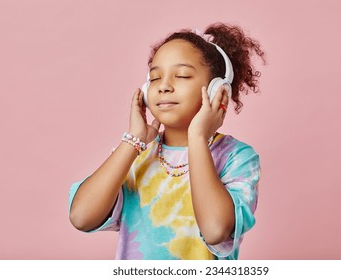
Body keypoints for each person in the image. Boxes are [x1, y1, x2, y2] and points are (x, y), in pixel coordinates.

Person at [69, 22, 266, 260]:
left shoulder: (238, 157)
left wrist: (197, 138)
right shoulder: (137, 153)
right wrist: (134, 141)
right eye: (154, 78)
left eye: (182, 75)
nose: (163, 86)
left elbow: (215, 230)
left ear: (218, 91)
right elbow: (81, 216)